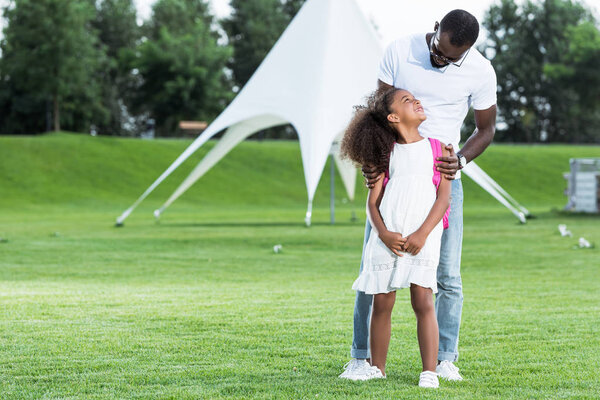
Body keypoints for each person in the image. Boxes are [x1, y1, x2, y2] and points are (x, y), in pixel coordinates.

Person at [339, 9, 497, 381]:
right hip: (394, 168)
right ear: (435, 29)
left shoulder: (481, 71)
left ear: (468, 51)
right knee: (374, 271)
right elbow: (378, 114)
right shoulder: (399, 51)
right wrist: (373, 159)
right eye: (439, 50)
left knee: (446, 276)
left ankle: (444, 359)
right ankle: (361, 358)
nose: (441, 60)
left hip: (441, 171)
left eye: (451, 58)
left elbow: (486, 129)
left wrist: (457, 161)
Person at [340, 87, 451, 388]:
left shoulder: (439, 149)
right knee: (382, 303)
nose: (416, 100)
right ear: (393, 116)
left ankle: (429, 371)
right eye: (406, 100)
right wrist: (385, 234)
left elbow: (443, 198)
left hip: (423, 236)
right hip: (389, 237)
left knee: (423, 300)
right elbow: (372, 204)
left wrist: (422, 233)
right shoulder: (383, 154)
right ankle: (378, 367)